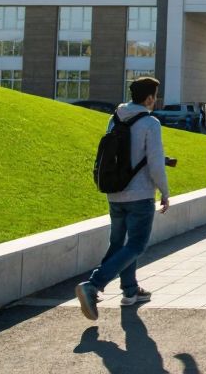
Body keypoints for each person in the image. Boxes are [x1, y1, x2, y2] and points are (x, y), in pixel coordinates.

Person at [75, 77, 169, 320]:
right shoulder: (151, 123)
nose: (155, 100)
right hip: (140, 194)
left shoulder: (115, 117)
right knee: (136, 245)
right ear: (149, 98)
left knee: (119, 244)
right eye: (155, 96)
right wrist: (165, 191)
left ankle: (130, 290)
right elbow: (156, 163)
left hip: (115, 192)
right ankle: (93, 285)